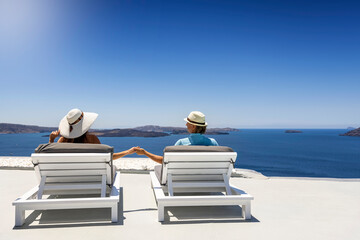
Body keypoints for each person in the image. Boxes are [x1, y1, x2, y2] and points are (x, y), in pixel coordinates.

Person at [49, 108, 136, 159]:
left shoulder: (62, 141)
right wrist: (128, 152)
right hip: (92, 181)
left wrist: (51, 140)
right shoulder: (92, 139)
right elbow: (107, 157)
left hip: (66, 181)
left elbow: (51, 157)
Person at [134, 111, 218, 163]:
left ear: (193, 126)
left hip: (183, 182)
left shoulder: (181, 143)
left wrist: (145, 153)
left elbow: (165, 161)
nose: (186, 124)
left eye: (188, 123)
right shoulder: (213, 143)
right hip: (208, 180)